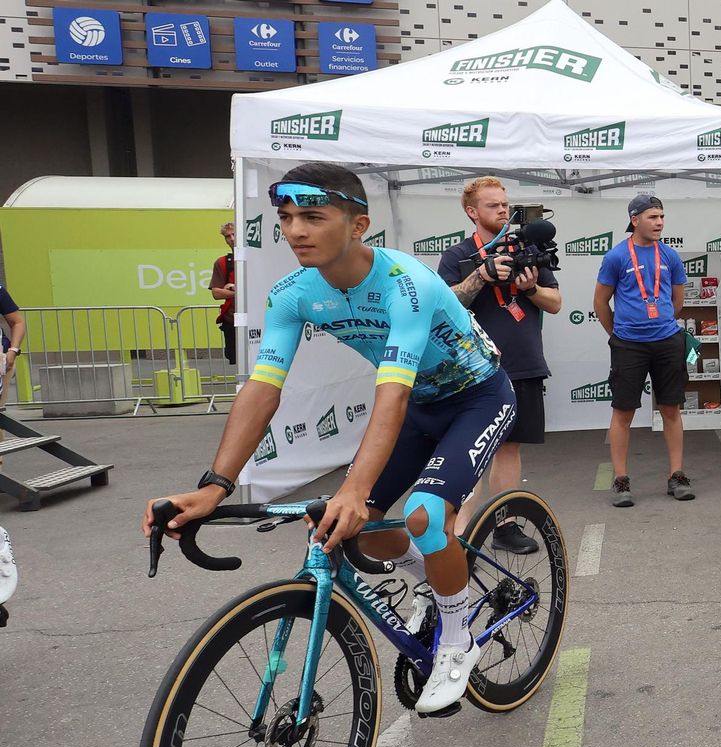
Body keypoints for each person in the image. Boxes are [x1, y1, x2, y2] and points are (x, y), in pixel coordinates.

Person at [143, 163, 513, 714]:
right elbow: (263, 388)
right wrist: (215, 486)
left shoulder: (405, 284)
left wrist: (353, 488)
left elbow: (391, 392)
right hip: (418, 405)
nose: (295, 231)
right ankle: (439, 584)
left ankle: (457, 641)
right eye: (286, 218)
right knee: (363, 532)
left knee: (425, 517)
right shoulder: (292, 293)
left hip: (477, 396)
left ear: (358, 224)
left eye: (313, 217)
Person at [438, 177, 562, 551]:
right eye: (493, 205)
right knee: (472, 448)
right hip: (473, 369)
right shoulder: (457, 256)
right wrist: (481, 275)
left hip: (523, 362)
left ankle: (504, 528)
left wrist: (530, 289)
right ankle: (454, 535)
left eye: (505, 204)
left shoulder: (528, 248)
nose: (503, 210)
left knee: (510, 447)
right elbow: (444, 305)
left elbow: (555, 302)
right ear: (472, 212)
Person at [595, 194, 693, 508]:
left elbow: (678, 301)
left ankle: (676, 475)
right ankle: (621, 480)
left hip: (667, 341)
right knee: (623, 412)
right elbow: (600, 303)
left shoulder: (671, 255)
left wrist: (662, 324)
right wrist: (619, 335)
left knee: (671, 410)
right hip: (629, 345)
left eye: (662, 216)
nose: (659, 222)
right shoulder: (616, 257)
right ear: (634, 220)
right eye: (653, 217)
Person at [208, 222, 237, 366]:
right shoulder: (222, 262)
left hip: (260, 319)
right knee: (238, 363)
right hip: (232, 320)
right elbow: (216, 293)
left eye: (234, 234)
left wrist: (233, 289)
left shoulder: (259, 259)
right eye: (227, 236)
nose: (231, 239)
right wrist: (238, 292)